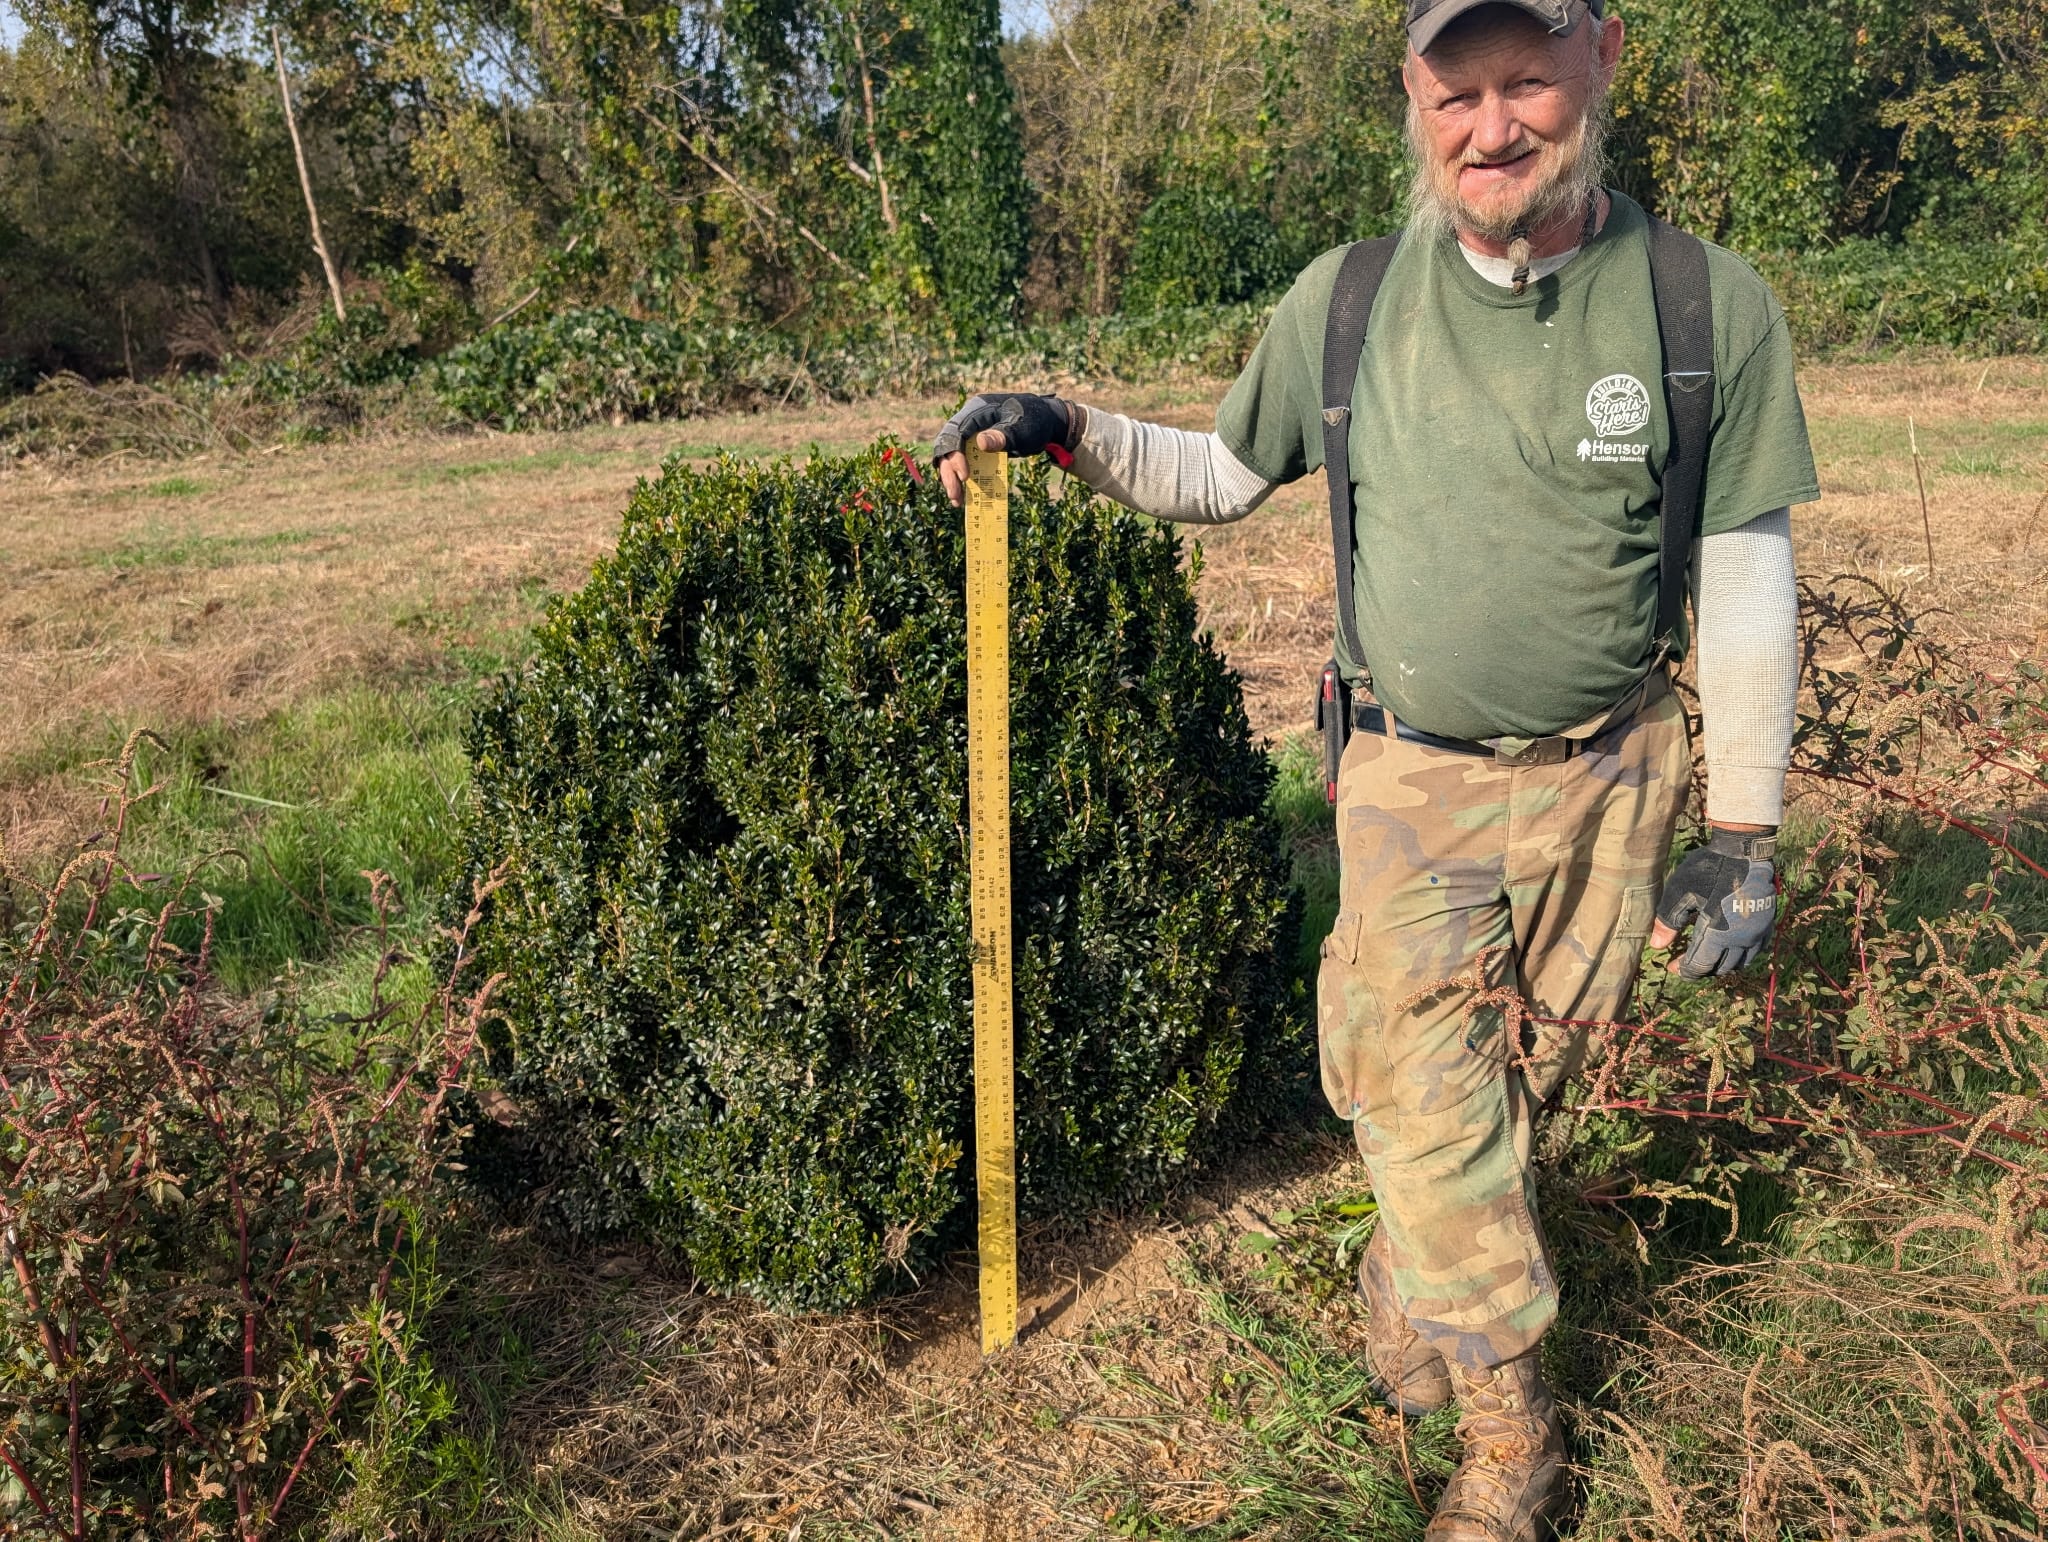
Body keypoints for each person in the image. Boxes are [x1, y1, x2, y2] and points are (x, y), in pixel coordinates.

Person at [932, 0, 1817, 1533]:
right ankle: (1510, 1440)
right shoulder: (1345, 303)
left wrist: (1744, 826)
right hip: (1407, 783)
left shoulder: (1698, 306)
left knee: (1519, 1081)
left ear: (1599, 61)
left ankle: (1414, 1260)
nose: (1492, 128)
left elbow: (1745, 569)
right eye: (1454, 91)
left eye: (1526, 80)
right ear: (1411, 96)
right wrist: (1066, 428)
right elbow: (1221, 471)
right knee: (1420, 1095)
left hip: (1613, 781)